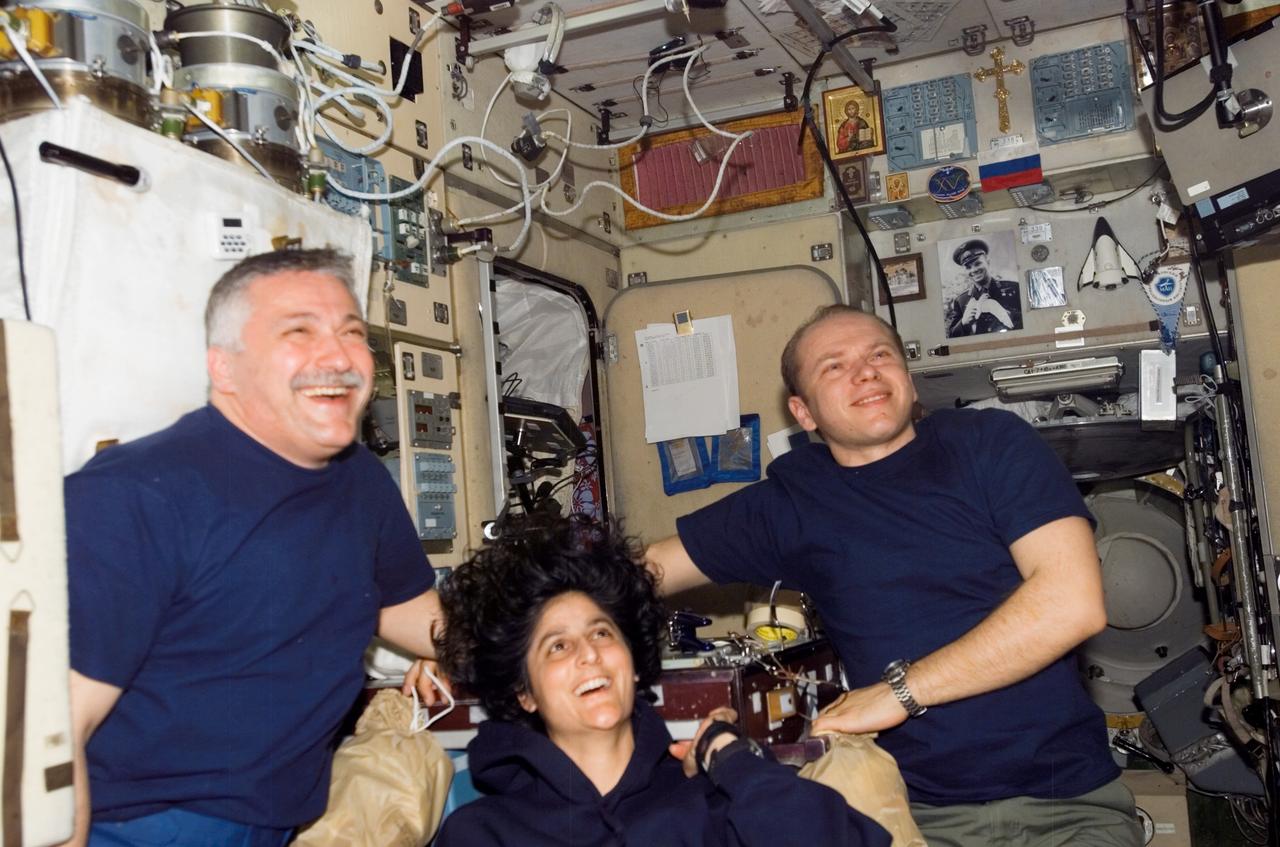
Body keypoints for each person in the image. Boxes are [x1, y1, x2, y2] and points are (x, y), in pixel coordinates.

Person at [646, 305, 1143, 847]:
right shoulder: (792, 503)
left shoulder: (990, 443)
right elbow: (642, 572)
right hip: (918, 815)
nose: (865, 372)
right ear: (803, 412)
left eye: (880, 355)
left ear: (906, 378)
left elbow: (1072, 602)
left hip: (1066, 805)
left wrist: (896, 693)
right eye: (833, 367)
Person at [62, 249, 446, 846]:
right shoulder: (133, 496)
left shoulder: (359, 480)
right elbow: (52, 728)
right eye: (300, 331)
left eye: (351, 333)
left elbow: (414, 614)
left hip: (280, 820)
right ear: (225, 368)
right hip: (138, 824)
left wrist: (515, 636)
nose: (339, 357)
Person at [433, 516, 892, 847]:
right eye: (557, 645)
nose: (589, 654)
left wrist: (733, 760)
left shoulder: (712, 807)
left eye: (601, 632)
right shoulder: (483, 832)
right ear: (525, 693)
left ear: (632, 665)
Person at [944, 239, 1024, 337]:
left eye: (978, 263)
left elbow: (1031, 320)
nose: (974, 270)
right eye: (968, 267)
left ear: (988, 262)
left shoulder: (1014, 288)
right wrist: (963, 323)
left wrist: (1007, 314)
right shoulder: (961, 301)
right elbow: (951, 336)